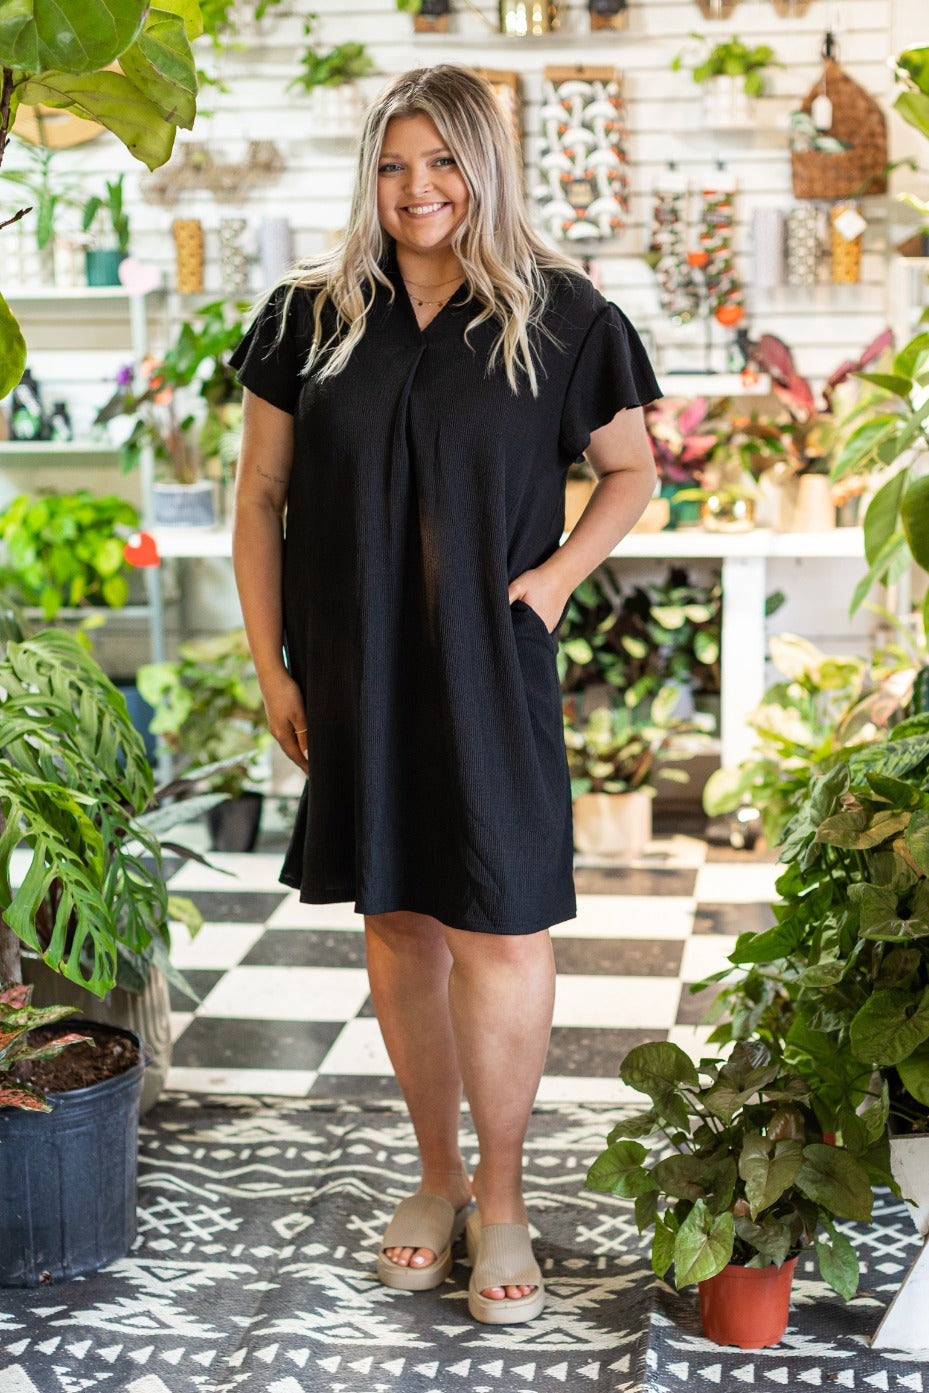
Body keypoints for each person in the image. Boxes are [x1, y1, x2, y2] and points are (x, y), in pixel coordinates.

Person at [229, 63, 660, 1326]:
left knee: (502, 922)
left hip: (488, 660)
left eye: (440, 162)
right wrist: (272, 666)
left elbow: (632, 472)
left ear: (483, 168)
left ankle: (504, 1195)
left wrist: (552, 583)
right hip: (352, 664)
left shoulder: (562, 315)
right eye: (391, 164)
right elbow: (259, 496)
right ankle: (435, 1177)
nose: (415, 188)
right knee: (399, 917)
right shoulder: (308, 317)